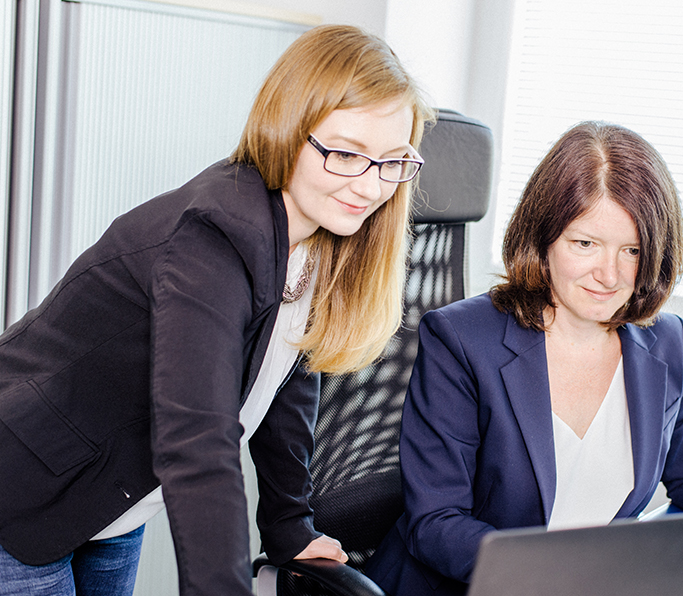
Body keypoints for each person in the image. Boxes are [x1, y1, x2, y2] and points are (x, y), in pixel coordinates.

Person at [0, 24, 432, 596]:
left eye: (392, 160)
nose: (371, 186)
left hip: (109, 502)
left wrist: (288, 526)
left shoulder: (316, 239)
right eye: (347, 153)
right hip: (22, 491)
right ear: (288, 129)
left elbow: (283, 384)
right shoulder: (215, 240)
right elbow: (199, 440)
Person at [365, 121, 683, 596]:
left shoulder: (666, 341)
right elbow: (437, 522)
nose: (609, 275)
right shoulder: (461, 340)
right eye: (585, 243)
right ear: (543, 238)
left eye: (632, 250)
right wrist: (569, 577)